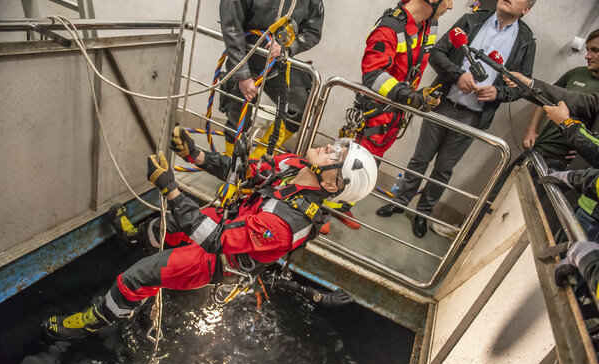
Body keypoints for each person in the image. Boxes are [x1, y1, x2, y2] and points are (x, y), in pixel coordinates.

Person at [43, 129, 377, 340]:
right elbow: (248, 172)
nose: (329, 148)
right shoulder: (294, 164)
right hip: (235, 219)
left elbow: (214, 240)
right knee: (171, 225)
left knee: (140, 274)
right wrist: (195, 154)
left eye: (337, 156)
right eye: (337, 146)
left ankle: (98, 318)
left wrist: (171, 190)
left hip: (220, 258)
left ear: (332, 185)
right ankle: (134, 239)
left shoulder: (286, 224)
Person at [377, 0, 537, 239]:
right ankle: (400, 202)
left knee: (443, 169)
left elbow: (523, 86)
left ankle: (424, 214)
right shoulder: (471, 21)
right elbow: (437, 53)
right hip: (441, 103)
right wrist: (458, 74)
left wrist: (498, 93)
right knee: (419, 159)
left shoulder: (526, 42)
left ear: (526, 9)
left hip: (472, 117)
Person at [321, 0, 452, 235]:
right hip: (375, 112)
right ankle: (322, 211)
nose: (451, 6)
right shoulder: (389, 28)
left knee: (371, 164)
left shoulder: (427, 26)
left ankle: (343, 206)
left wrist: (416, 96)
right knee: (350, 162)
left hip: (395, 112)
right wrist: (410, 96)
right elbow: (373, 74)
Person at [219, 0, 324, 156]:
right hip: (246, 57)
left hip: (280, 62)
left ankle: (256, 162)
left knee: (300, 111)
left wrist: (290, 45)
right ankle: (230, 168)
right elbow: (232, 28)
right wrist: (242, 74)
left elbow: (312, 30)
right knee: (237, 119)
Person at [520, 29, 599, 170]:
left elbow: (583, 102)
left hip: (562, 160)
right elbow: (547, 94)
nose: (587, 56)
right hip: (541, 146)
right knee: (499, 189)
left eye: (595, 50)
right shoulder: (577, 73)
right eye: (587, 50)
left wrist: (586, 155)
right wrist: (531, 129)